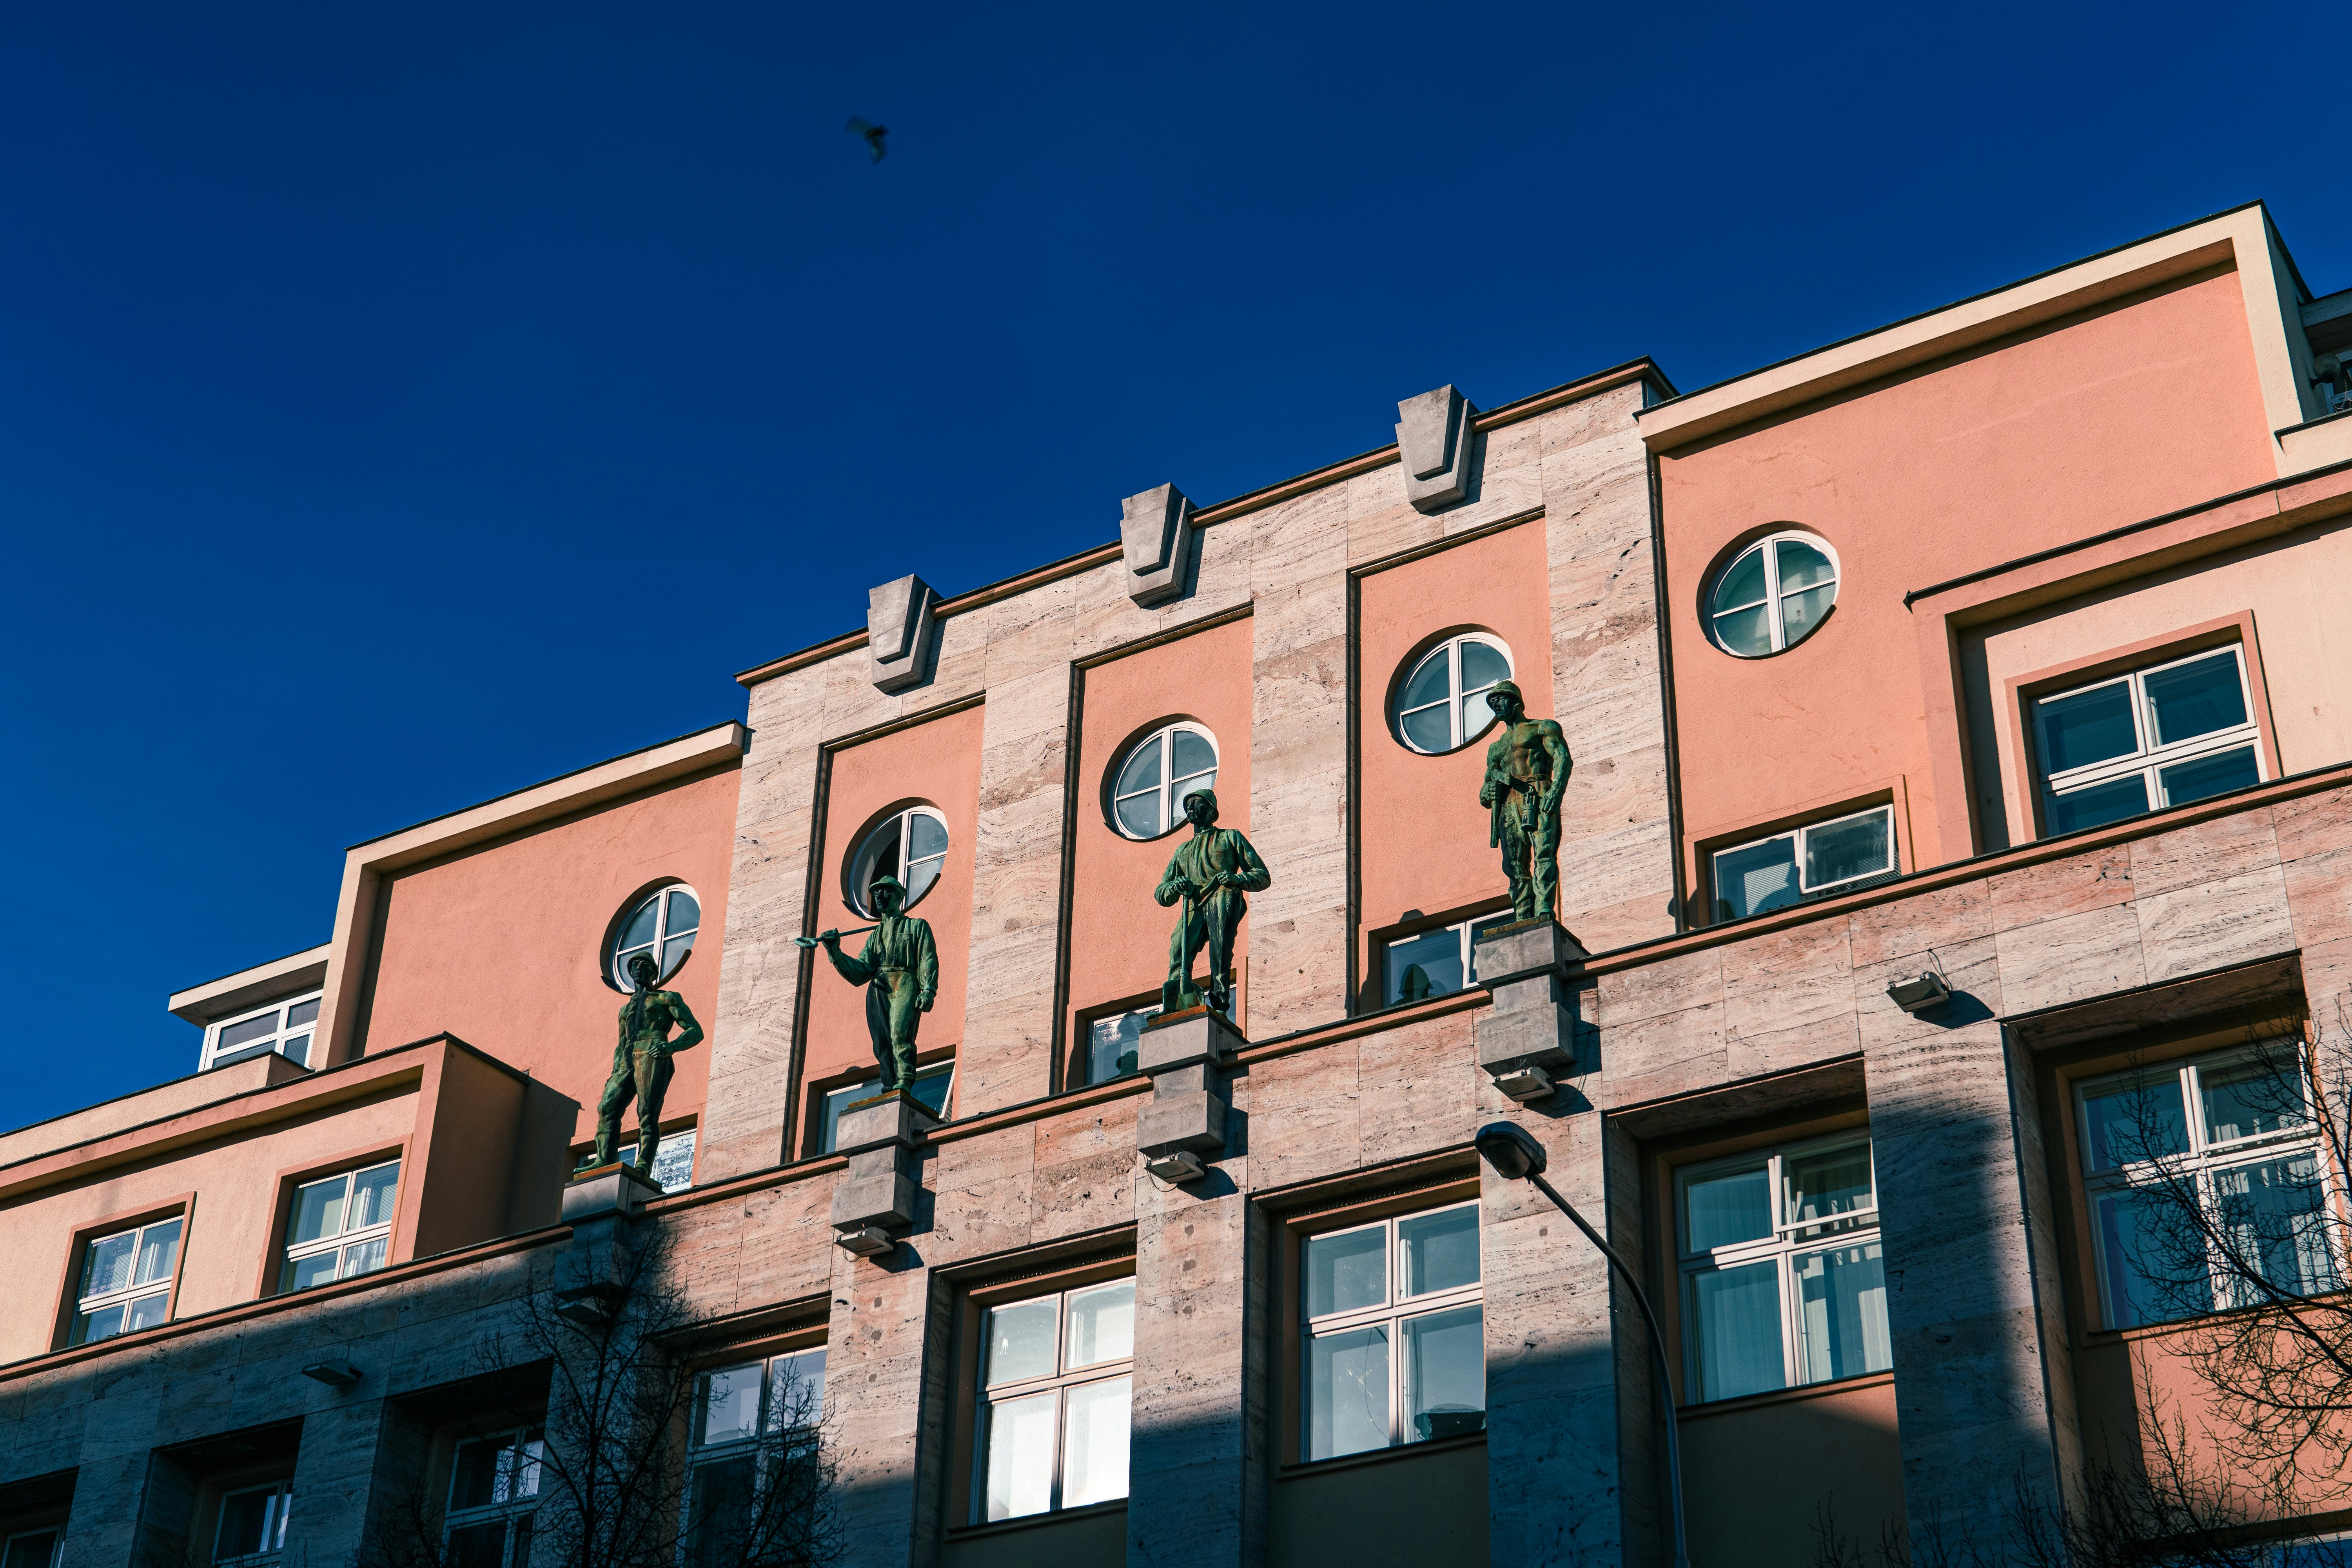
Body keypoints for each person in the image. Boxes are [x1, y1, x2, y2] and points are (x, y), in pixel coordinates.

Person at [1154, 786, 1271, 1016]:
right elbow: (1161, 893)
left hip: (1223, 896)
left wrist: (1238, 879)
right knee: (1179, 949)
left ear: (1211, 810)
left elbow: (1262, 876)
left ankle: (1220, 1005)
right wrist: (1176, 886)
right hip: (1194, 905)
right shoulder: (1183, 850)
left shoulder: (1230, 837)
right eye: (1188, 805)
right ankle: (1176, 1003)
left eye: (1197, 803)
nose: (1190, 807)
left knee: (1220, 952)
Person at [818, 874, 938, 1094]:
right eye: (876, 894)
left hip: (905, 981)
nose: (879, 897)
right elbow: (861, 972)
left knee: (899, 1034)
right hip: (878, 987)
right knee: (881, 1042)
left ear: (898, 897)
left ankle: (905, 1079)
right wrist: (835, 952)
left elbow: (927, 958)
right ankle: (890, 1085)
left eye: (885, 892)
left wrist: (928, 989)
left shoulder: (917, 926)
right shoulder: (874, 936)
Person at [593, 950, 706, 1176]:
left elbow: (696, 1031)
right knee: (607, 1108)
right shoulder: (625, 1009)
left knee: (647, 1111)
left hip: (653, 1052)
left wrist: (671, 1047)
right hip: (627, 1059)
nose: (638, 968)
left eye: (644, 964)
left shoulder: (667, 998)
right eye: (634, 965)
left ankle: (644, 1163)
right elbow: (621, 1044)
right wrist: (615, 1071)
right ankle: (603, 1161)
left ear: (654, 972)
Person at [1477, 679, 1573, 924]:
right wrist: (1487, 792)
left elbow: (1563, 758)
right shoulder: (1495, 747)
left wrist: (1556, 791)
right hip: (1509, 803)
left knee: (1544, 854)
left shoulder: (1542, 727)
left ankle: (1544, 909)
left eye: (1500, 699)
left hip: (1538, 793)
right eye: (1492, 702)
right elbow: (1487, 787)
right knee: (1513, 865)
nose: (1496, 705)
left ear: (1516, 702)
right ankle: (1523, 916)